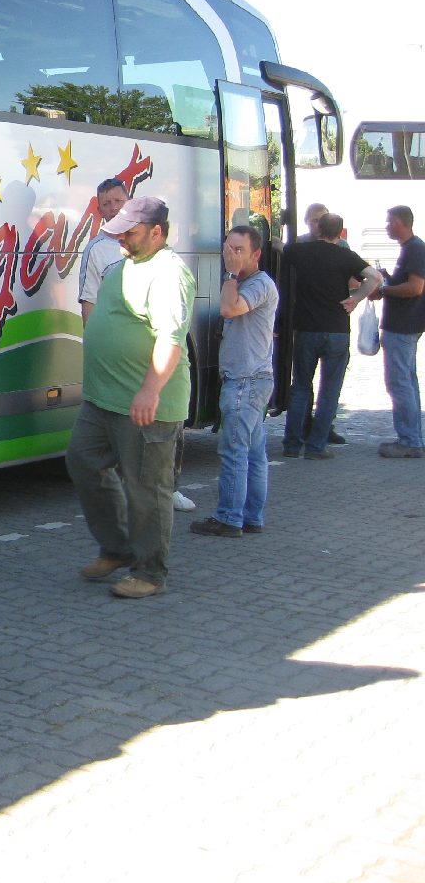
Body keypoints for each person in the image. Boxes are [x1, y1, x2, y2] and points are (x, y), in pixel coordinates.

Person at [66, 196, 194, 600]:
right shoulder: (123, 266)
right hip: (103, 400)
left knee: (147, 490)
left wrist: (150, 390)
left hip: (144, 404)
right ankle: (116, 548)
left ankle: (150, 572)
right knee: (83, 461)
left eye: (130, 232)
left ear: (157, 232)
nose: (121, 238)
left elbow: (170, 339)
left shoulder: (169, 273)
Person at [191, 226, 278, 537]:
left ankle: (229, 517)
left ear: (256, 254)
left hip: (246, 381)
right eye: (228, 249)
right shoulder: (248, 283)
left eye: (238, 250)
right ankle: (251, 517)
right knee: (253, 453)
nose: (231, 255)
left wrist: (229, 274)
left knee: (235, 453)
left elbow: (230, 309)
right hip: (250, 380)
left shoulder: (258, 284)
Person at [279, 213, 381, 459]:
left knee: (300, 387)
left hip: (306, 329)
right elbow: (375, 277)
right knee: (329, 391)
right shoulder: (345, 255)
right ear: (340, 233)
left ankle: (291, 444)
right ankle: (316, 447)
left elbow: (279, 248)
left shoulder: (301, 251)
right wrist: (356, 299)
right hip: (337, 330)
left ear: (318, 229)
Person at [371, 205, 425, 458]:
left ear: (400, 223)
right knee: (407, 382)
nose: (386, 226)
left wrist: (384, 289)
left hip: (403, 326)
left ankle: (410, 441)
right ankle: (413, 437)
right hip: (406, 325)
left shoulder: (415, 248)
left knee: (400, 383)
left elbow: (415, 288)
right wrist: (389, 279)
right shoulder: (411, 248)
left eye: (389, 221)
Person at [78, 177, 130, 322]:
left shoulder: (148, 239)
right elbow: (89, 302)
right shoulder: (94, 250)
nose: (114, 208)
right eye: (106, 204)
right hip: (114, 331)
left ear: (129, 203)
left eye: (118, 201)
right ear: (100, 211)